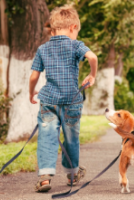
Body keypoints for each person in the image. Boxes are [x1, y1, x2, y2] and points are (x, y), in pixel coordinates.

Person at [29, 4, 98, 192]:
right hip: (71, 101)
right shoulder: (76, 45)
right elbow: (92, 58)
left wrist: (31, 92)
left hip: (49, 102)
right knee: (71, 139)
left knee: (47, 137)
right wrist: (92, 75)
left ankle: (44, 178)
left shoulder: (43, 49)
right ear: (73, 27)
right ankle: (72, 175)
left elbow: (34, 76)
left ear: (53, 28)